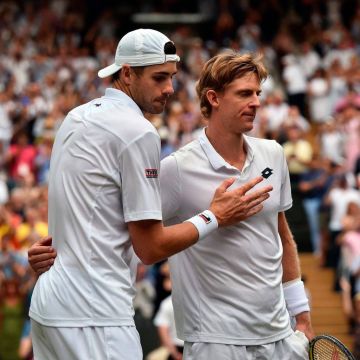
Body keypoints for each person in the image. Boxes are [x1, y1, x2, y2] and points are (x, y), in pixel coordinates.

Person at [29, 51, 313, 359]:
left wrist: (302, 314)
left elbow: (283, 237)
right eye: (245, 94)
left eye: (257, 93)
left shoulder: (273, 153)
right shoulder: (175, 169)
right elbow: (128, 234)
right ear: (214, 98)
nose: (256, 102)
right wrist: (57, 252)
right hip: (215, 341)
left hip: (280, 335)